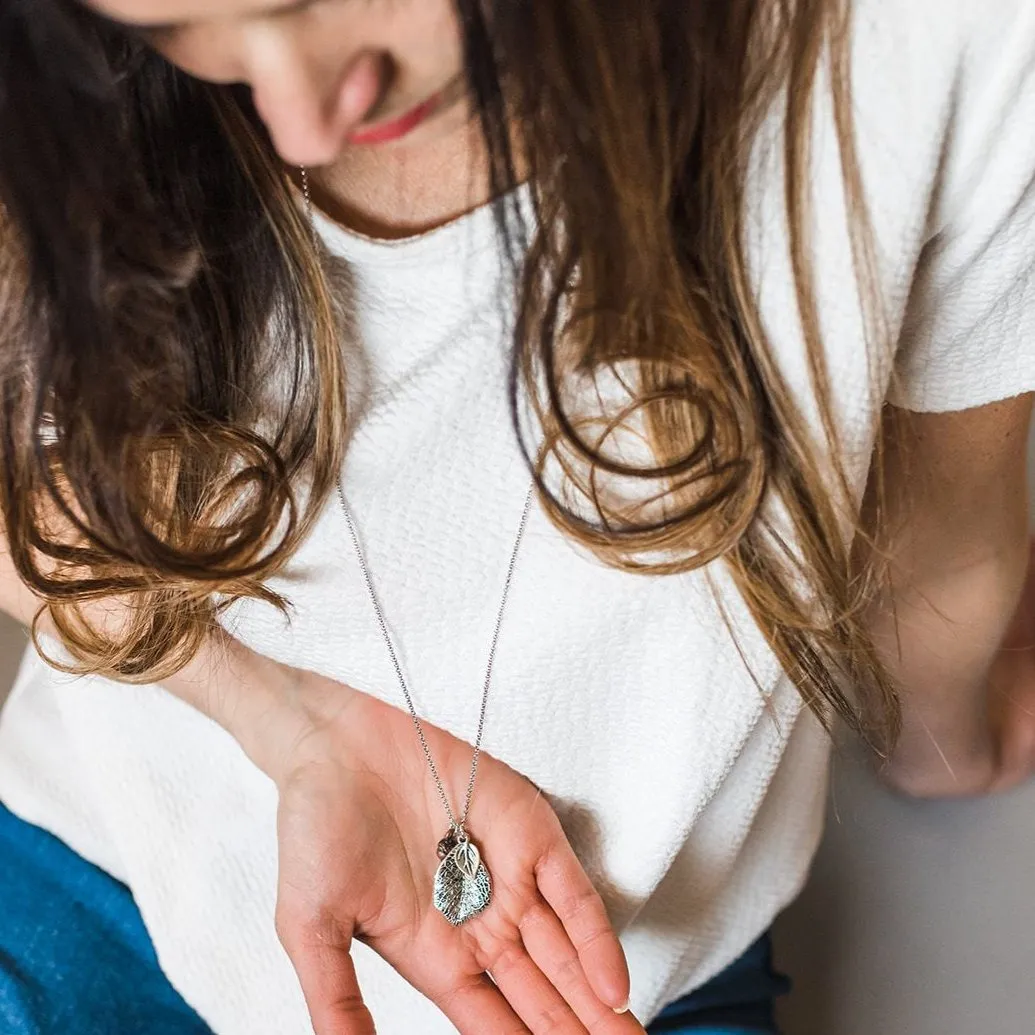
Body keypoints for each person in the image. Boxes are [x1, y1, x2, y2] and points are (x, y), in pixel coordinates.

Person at [0, 0, 1034, 1032]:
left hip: (589, 973)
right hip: (106, 857)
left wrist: (941, 732)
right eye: (178, 34)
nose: (301, 123)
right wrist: (283, 715)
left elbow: (938, 543)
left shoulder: (927, 41)